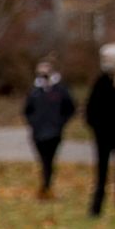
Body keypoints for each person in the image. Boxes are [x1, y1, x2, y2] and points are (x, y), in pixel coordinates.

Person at [85, 42, 115, 217]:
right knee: (101, 173)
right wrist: (96, 127)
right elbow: (91, 109)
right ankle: (96, 208)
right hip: (103, 136)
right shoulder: (101, 81)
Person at [22, 58, 75, 200]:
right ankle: (45, 187)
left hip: (54, 133)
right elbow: (27, 111)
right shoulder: (34, 91)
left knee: (49, 161)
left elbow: (70, 108)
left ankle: (46, 187)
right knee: (43, 161)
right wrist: (34, 123)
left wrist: (60, 123)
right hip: (38, 133)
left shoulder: (60, 90)